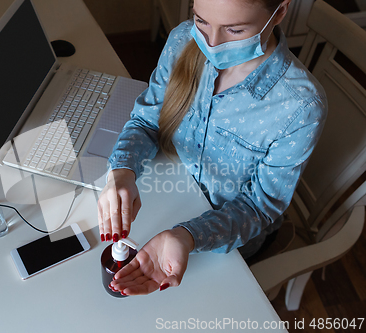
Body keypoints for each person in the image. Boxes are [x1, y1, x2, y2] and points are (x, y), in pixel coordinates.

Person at [98, 0, 327, 296]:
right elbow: (146, 121)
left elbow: (259, 206)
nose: (212, 43)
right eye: (202, 21)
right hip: (169, 188)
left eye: (234, 29)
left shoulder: (300, 107)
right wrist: (123, 171)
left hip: (225, 233)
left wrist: (188, 236)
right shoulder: (183, 40)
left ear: (279, 12)